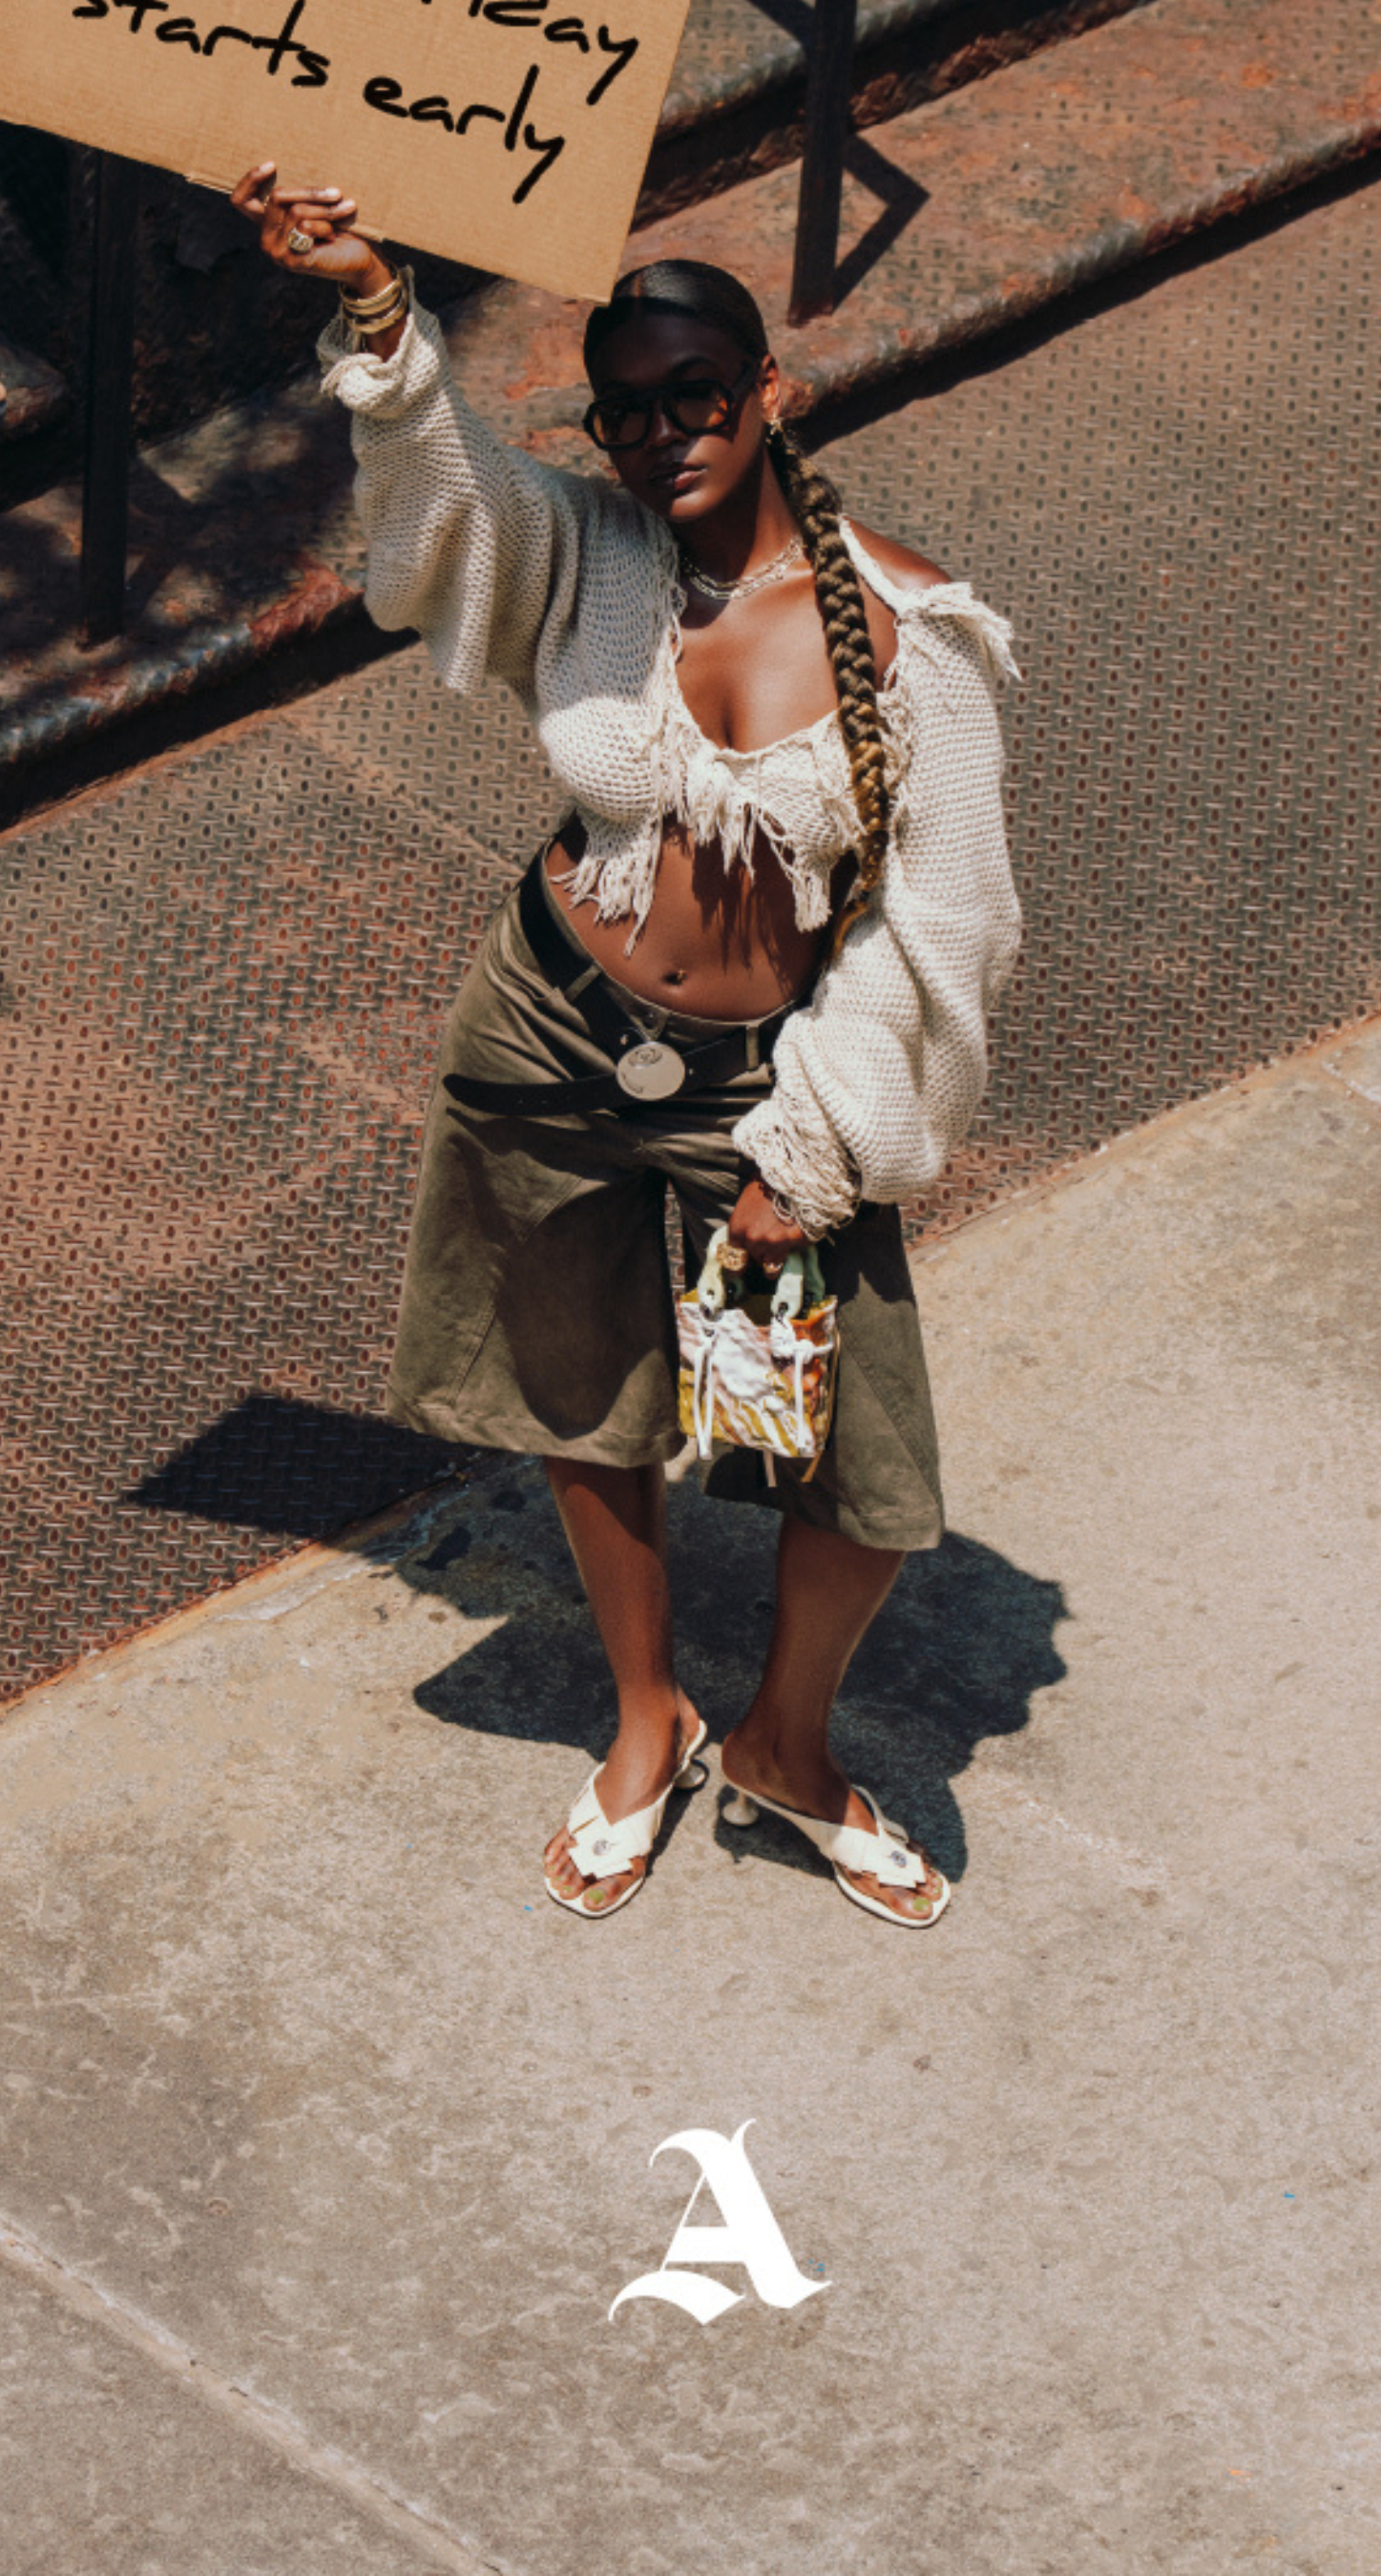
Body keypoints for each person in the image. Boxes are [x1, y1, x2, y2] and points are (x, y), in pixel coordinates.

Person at [232, 172, 1021, 1930]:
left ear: (768, 396)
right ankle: (649, 1717)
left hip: (769, 1087)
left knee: (865, 1473)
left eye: (701, 397)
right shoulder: (591, 553)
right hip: (548, 1028)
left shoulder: (910, 640)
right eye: (631, 406)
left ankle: (789, 1747)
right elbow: (439, 499)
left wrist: (804, 1154)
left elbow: (941, 926)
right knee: (580, 1395)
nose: (666, 432)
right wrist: (376, 307)